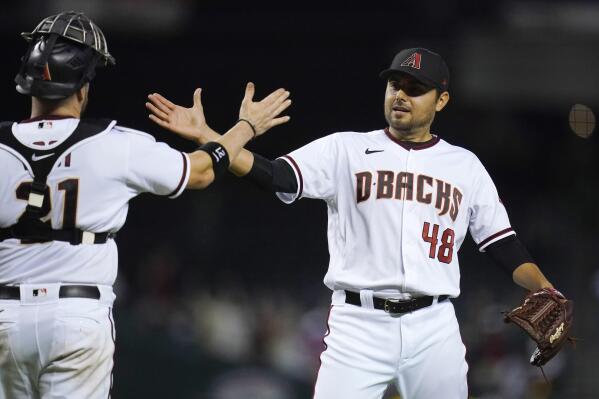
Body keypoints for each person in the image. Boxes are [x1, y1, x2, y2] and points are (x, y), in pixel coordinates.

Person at [147, 47, 563, 399]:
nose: (401, 95)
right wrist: (210, 139)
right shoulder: (347, 148)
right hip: (358, 325)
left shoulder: (465, 166)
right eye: (395, 85)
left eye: (416, 89)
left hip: (434, 326)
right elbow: (276, 175)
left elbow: (501, 243)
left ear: (441, 101)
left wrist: (545, 287)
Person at [0, 11, 290, 399]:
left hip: (5, 317)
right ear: (84, 88)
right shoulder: (115, 143)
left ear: (28, 84)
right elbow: (201, 172)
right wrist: (245, 127)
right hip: (76, 316)